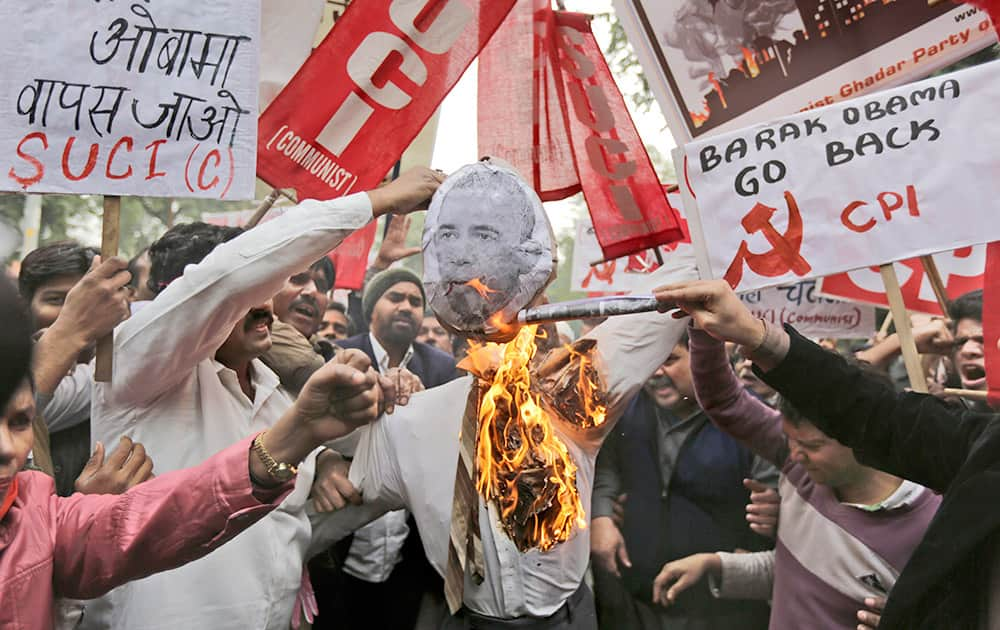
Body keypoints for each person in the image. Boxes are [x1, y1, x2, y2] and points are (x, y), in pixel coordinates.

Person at [86, 167, 445, 630]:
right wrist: (376, 200)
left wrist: (389, 413)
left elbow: (368, 481)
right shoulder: (134, 371)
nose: (263, 300)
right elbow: (227, 277)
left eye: (267, 286)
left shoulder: (284, 401)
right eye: (251, 288)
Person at [652, 278, 1000, 630]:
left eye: (814, 445)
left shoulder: (941, 516)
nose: (796, 454)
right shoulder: (798, 468)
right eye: (791, 441)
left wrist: (913, 617)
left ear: (858, 442)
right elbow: (866, 405)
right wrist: (749, 334)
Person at [0, 335, 387, 629]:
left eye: (19, 423)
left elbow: (181, 507)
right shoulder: (145, 369)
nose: (6, 448)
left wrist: (301, 435)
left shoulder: (34, 512)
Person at [591, 333, 777, 629]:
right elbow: (607, 466)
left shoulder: (752, 419)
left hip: (722, 611)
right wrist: (601, 515)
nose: (656, 373)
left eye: (670, 360)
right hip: (636, 600)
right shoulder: (626, 408)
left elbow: (778, 508)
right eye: (650, 362)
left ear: (706, 357)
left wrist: (777, 517)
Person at [321, 267, 459, 630]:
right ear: (370, 309)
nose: (407, 307)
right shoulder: (339, 356)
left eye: (415, 301)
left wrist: (426, 405)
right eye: (395, 297)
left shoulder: (443, 368)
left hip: (408, 555)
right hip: (341, 544)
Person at [18, 241, 99, 495]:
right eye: (56, 300)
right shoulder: (15, 375)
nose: (72, 313)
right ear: (25, 306)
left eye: (85, 300)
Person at [263, 257, 337, 394]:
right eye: (297, 279)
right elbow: (307, 365)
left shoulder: (329, 350)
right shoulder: (250, 335)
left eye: (322, 286)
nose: (312, 291)